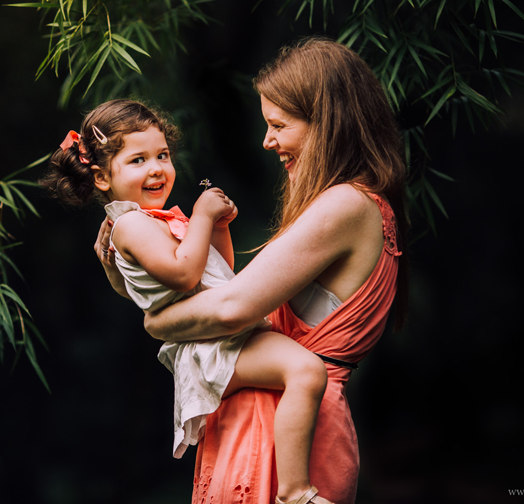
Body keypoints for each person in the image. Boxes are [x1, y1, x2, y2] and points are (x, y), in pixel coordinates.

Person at [94, 38, 408, 504]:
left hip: (291, 434)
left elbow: (232, 308)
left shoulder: (344, 204)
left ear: (327, 124)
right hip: (279, 414)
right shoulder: (357, 204)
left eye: (278, 125)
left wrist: (158, 322)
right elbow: (220, 284)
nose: (267, 140)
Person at [41, 99, 333, 504]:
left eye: (162, 155)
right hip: (209, 349)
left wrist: (217, 228)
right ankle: (295, 492)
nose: (157, 167)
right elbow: (184, 275)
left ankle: (290, 483)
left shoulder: (156, 221)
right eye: (138, 160)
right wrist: (200, 214)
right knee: (306, 371)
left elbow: (218, 275)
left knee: (304, 370)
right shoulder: (129, 224)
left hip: (220, 335)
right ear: (104, 178)